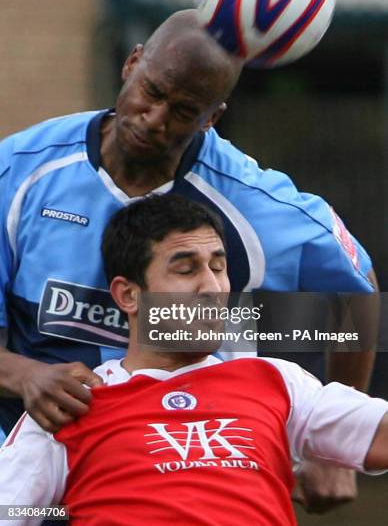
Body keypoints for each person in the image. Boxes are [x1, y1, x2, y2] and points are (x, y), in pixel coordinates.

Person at [0, 9, 377, 509]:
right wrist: (23, 375)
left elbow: (355, 294)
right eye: (152, 92)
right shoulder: (20, 172)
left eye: (183, 111)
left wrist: (333, 454)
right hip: (38, 446)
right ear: (132, 64)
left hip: (195, 471)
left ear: (213, 117)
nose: (154, 120)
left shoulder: (258, 206)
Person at [0, 194, 386, 526]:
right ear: (129, 296)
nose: (212, 288)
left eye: (218, 267)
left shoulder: (276, 381)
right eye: (186, 270)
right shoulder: (70, 402)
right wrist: (69, 508)